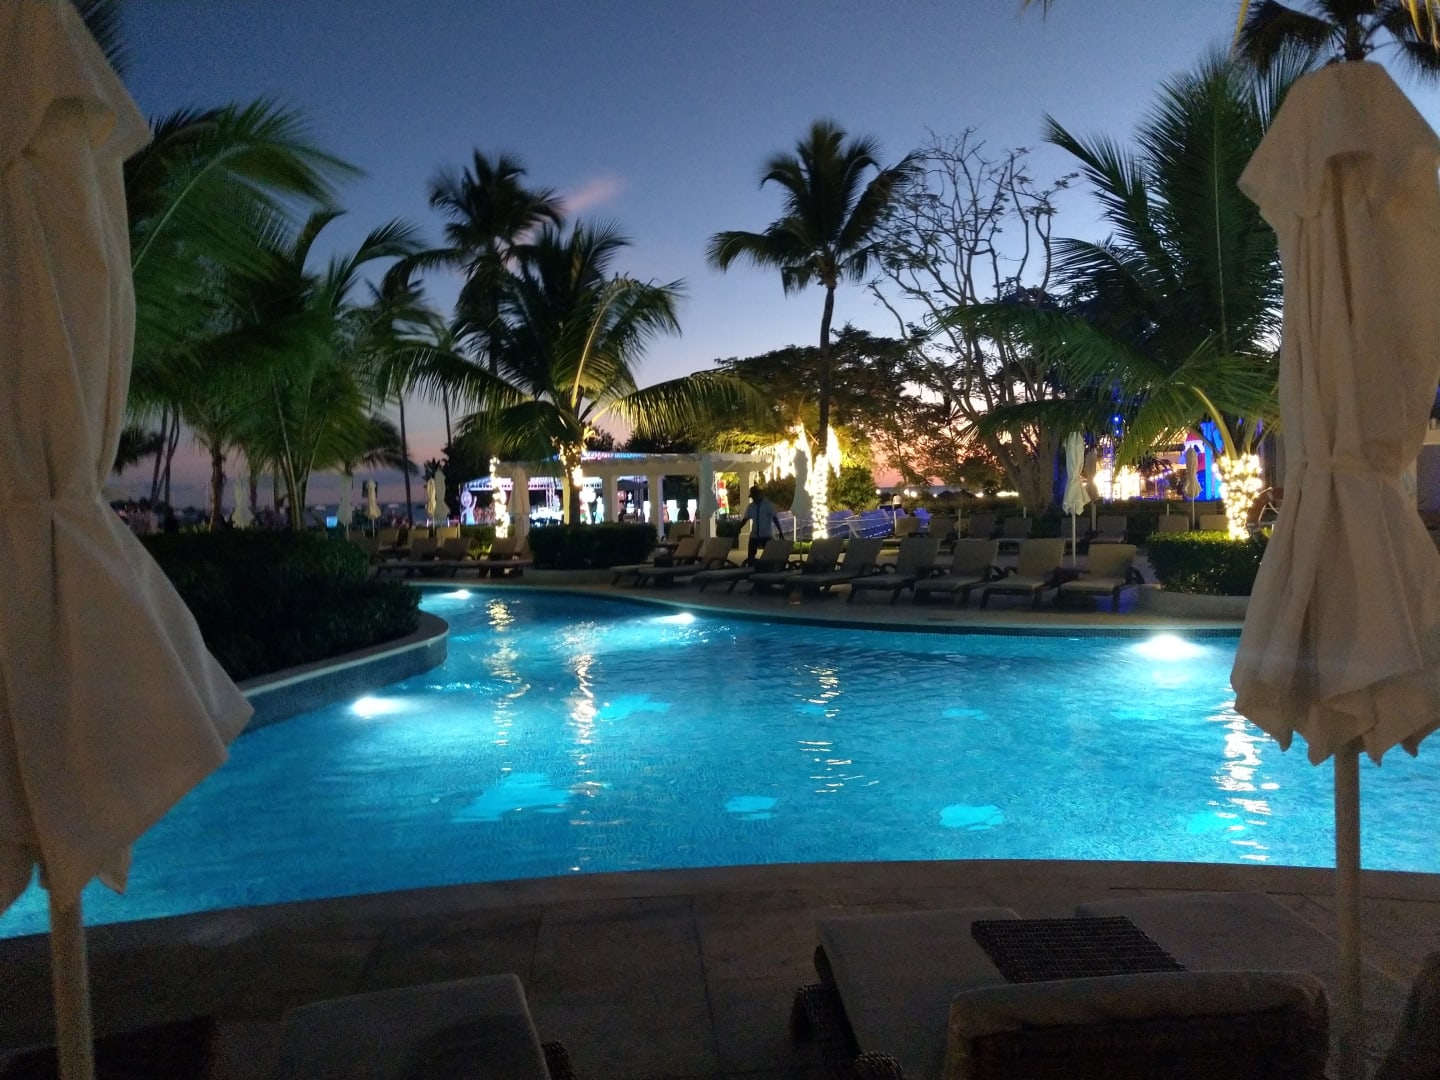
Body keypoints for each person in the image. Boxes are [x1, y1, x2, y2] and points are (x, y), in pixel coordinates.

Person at [739, 485, 784, 564]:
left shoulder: (768, 505)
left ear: (759, 495)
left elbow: (775, 519)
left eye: (755, 496)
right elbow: (745, 519)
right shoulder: (751, 506)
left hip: (766, 534)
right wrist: (738, 529)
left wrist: (780, 531)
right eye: (752, 497)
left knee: (769, 556)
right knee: (751, 556)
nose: (753, 498)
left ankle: (769, 567)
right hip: (754, 535)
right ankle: (751, 566)